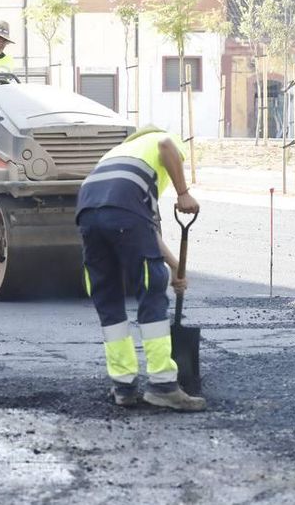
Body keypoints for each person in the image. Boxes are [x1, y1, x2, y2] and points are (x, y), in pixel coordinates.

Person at [76, 126, 205, 411]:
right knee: (151, 289)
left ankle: (123, 386)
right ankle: (163, 384)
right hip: (123, 209)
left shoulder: (120, 154)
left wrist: (176, 268)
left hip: (88, 209)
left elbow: (146, 230)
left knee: (108, 298)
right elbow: (167, 145)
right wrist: (183, 193)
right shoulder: (159, 142)